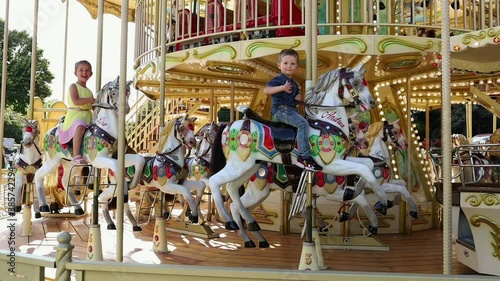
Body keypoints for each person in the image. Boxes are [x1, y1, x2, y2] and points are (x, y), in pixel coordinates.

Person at [263, 49, 322, 171]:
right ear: (279, 65)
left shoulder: (294, 84)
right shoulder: (278, 80)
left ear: (296, 66)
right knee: (302, 123)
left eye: (292, 64)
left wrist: (299, 98)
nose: (289, 66)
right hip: (280, 110)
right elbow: (266, 90)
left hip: (291, 110)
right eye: (286, 63)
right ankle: (303, 156)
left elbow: (295, 99)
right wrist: (282, 88)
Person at [59, 60, 95, 165]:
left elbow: (91, 106)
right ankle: (76, 154)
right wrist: (90, 99)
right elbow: (76, 101)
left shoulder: (89, 91)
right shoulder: (73, 86)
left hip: (87, 116)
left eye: (87, 70)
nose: (84, 72)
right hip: (76, 115)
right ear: (75, 73)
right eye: (81, 70)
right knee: (80, 126)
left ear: (91, 74)